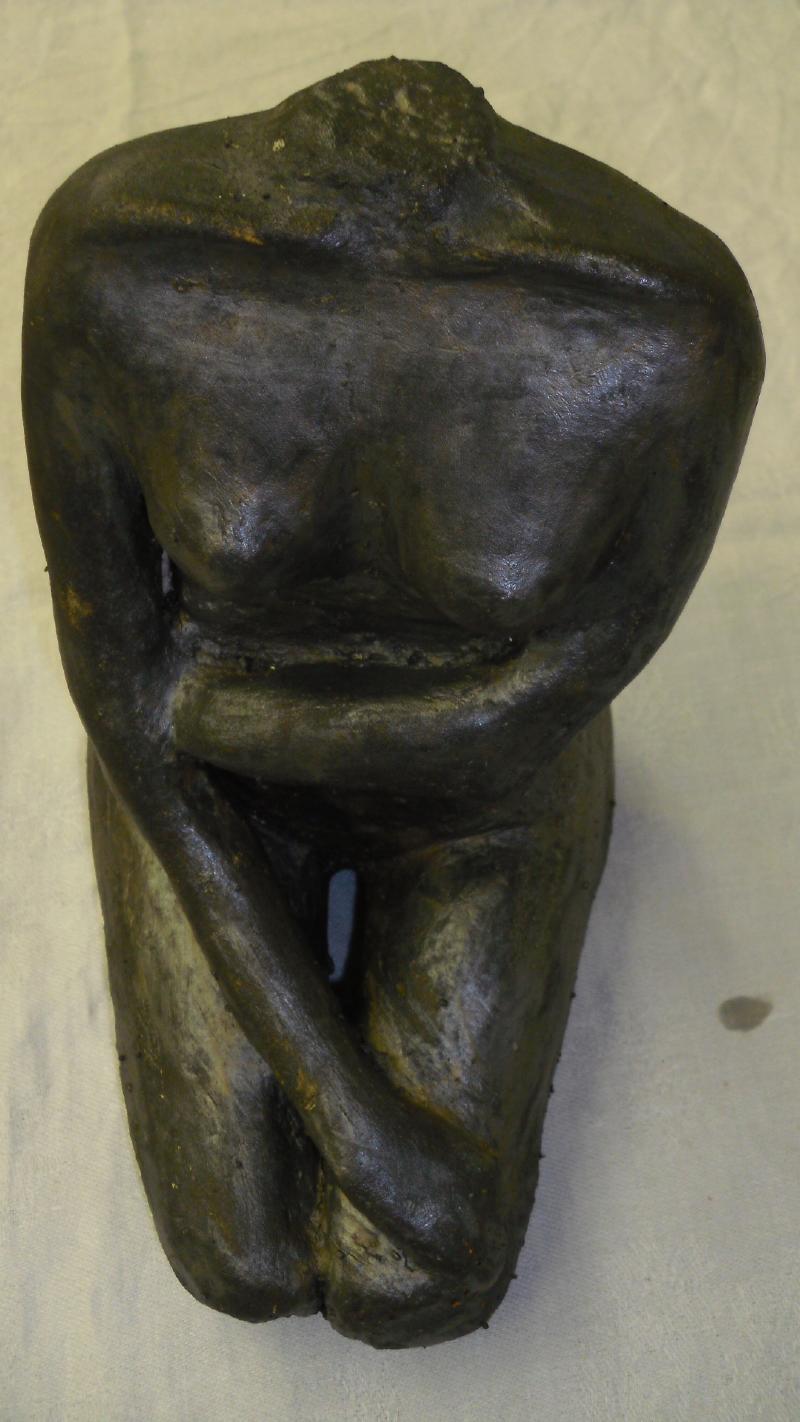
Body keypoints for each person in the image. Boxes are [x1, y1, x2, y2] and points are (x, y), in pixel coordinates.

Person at [22, 58, 764, 1347]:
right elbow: (121, 687)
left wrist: (234, 716)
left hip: (481, 807)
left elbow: (542, 700)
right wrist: (349, 1105)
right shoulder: (120, 263)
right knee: (239, 1263)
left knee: (405, 1289)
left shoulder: (664, 321)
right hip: (201, 789)